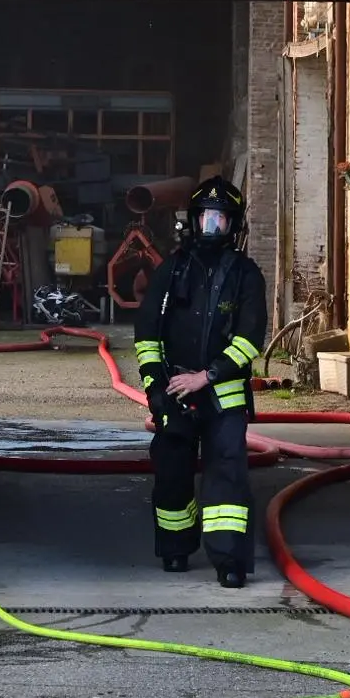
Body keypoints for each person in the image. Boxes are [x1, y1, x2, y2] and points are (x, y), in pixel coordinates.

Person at [133, 176, 268, 589]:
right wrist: (157, 388)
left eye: (220, 221)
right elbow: (147, 334)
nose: (212, 228)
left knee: (226, 474)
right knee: (171, 470)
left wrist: (206, 377)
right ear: (191, 222)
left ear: (234, 226)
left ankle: (229, 561)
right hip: (174, 394)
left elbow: (249, 342)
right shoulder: (171, 271)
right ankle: (175, 549)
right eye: (206, 219)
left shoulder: (246, 276)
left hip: (222, 397)